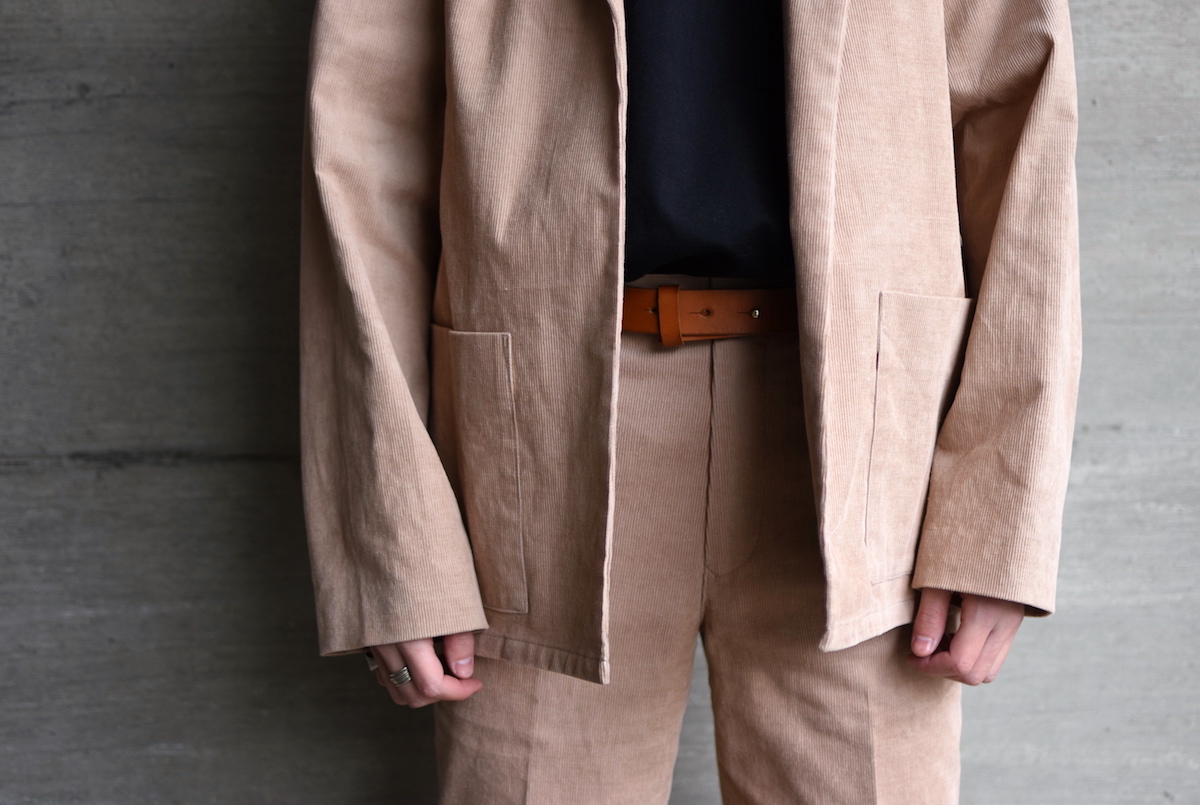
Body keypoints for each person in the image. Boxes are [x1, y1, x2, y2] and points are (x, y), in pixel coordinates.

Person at [298, 0, 1080, 801]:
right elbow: (366, 143)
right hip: (540, 433)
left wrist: (995, 516)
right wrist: (395, 534)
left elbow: (1017, 109)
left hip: (866, 431)